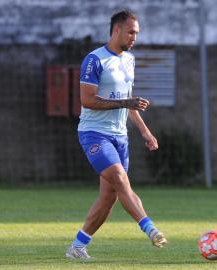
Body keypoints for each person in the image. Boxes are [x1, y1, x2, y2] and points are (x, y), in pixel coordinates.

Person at [66, 10, 167, 259]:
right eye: (131, 32)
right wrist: (126, 103)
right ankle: (150, 228)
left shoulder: (129, 60)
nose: (134, 37)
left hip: (119, 137)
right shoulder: (94, 60)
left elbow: (129, 104)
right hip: (94, 134)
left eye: (137, 33)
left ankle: (77, 247)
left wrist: (145, 131)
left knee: (108, 198)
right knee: (121, 179)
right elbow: (87, 100)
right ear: (117, 30)